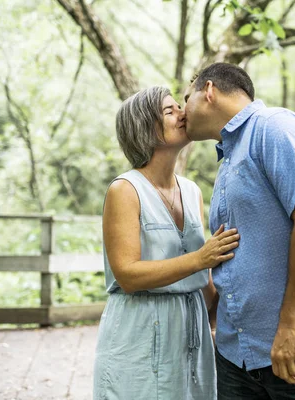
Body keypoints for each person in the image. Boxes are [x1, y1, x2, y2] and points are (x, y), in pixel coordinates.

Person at [183, 63, 295, 399]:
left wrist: (293, 323)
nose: (181, 110)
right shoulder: (229, 159)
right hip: (240, 357)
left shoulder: (274, 128)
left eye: (185, 97)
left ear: (208, 91)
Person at [93, 86, 239, 399]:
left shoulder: (192, 192)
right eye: (169, 111)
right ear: (144, 127)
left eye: (179, 107)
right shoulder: (125, 190)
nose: (182, 114)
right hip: (139, 332)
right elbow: (128, 275)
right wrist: (201, 258)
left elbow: (200, 278)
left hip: (191, 331)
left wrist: (223, 314)